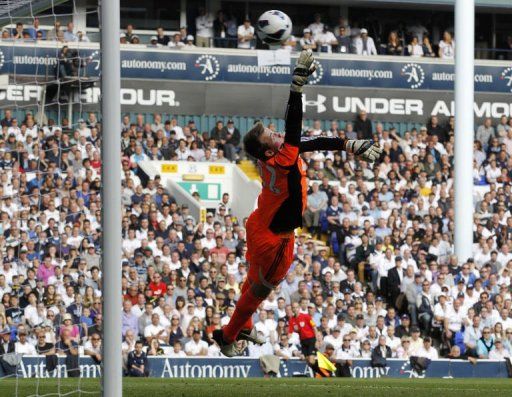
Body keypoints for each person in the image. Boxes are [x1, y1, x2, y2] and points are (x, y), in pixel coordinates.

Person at [212, 50, 382, 356]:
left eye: (274, 132)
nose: (278, 134)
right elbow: (294, 126)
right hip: (275, 238)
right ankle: (227, 337)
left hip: (260, 221)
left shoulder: (279, 155)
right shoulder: (282, 158)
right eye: (271, 136)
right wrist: (296, 86)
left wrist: (349, 145)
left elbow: (310, 141)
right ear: (266, 152)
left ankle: (243, 328)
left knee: (253, 281)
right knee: (259, 290)